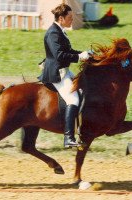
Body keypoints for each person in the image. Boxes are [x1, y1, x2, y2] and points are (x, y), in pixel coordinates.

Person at [38, 3, 90, 148]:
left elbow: (69, 50)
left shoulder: (60, 30)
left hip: (64, 70)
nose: (72, 20)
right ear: (61, 18)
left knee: (83, 89)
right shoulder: (53, 33)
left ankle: (80, 131)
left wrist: (83, 54)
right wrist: (79, 58)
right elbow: (60, 55)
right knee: (72, 99)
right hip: (56, 73)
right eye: (70, 17)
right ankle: (68, 137)